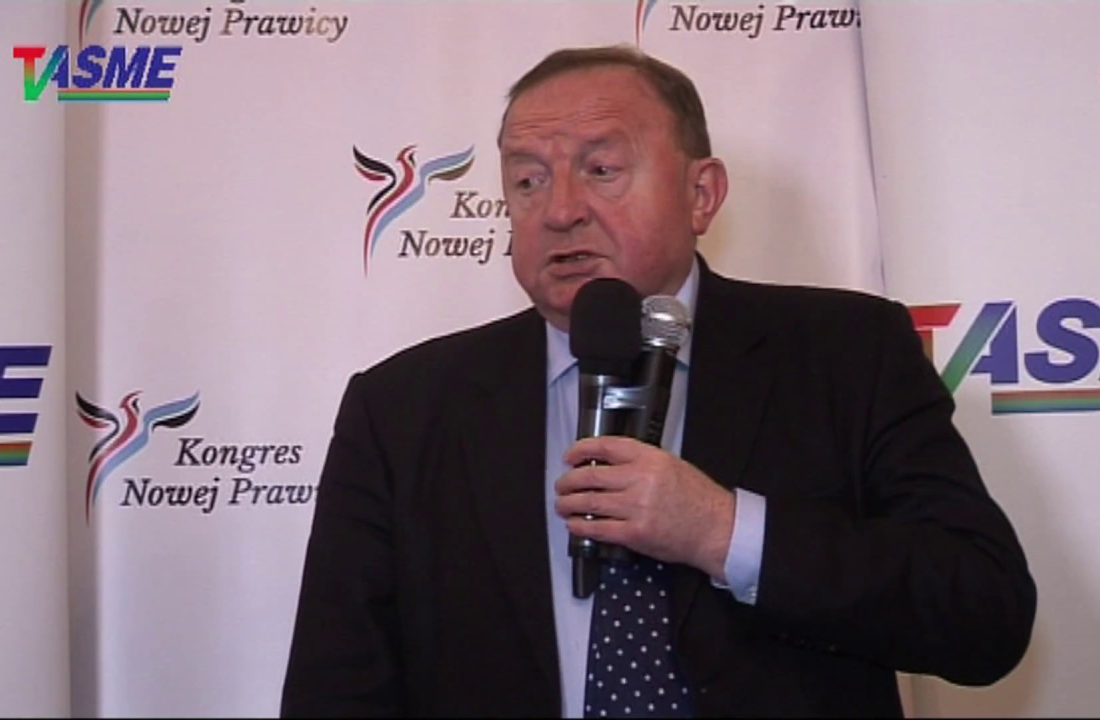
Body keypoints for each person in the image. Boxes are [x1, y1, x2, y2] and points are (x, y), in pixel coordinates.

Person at [280, 44, 1036, 717]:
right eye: (528, 180)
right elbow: (336, 688)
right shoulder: (402, 408)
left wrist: (722, 530)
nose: (560, 210)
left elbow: (984, 614)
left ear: (701, 194)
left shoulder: (846, 352)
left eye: (601, 170)